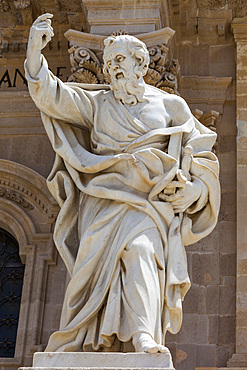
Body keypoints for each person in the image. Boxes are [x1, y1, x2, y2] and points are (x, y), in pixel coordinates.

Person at [25, 14, 220, 354]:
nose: (111, 67)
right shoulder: (98, 104)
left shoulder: (170, 105)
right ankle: (81, 337)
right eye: (109, 61)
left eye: (119, 60)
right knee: (88, 271)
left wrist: (196, 190)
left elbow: (202, 155)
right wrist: (33, 55)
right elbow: (53, 96)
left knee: (142, 250)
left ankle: (144, 335)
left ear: (141, 64)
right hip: (102, 200)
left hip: (147, 204)